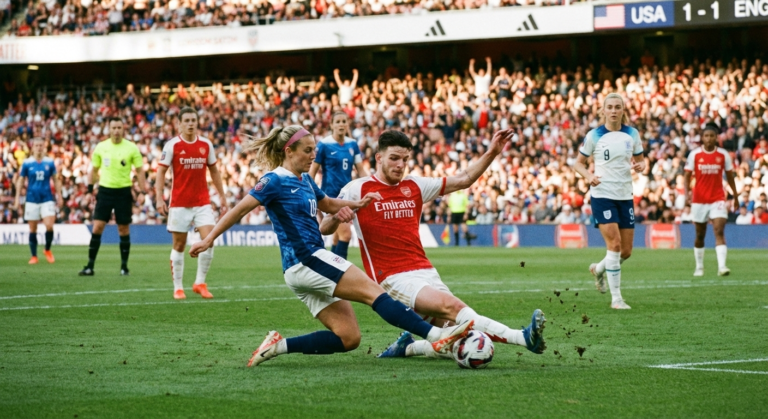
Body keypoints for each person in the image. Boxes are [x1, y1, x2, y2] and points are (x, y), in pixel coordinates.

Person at [189, 125, 473, 367]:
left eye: (315, 149)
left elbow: (328, 205)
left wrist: (357, 204)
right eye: (308, 150)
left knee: (349, 338)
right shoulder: (273, 181)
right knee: (375, 292)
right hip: (307, 259)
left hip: (301, 269)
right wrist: (208, 238)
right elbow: (239, 210)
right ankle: (437, 337)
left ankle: (277, 346)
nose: (314, 155)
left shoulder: (305, 180)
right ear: (289, 151)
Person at [319, 129, 546, 360]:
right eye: (394, 158)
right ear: (379, 158)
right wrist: (338, 215)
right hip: (392, 277)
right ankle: (524, 338)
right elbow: (325, 227)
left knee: (462, 335)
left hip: (427, 272)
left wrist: (492, 152)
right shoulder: (358, 188)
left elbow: (464, 179)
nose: (400, 165)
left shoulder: (415, 185)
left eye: (405, 160)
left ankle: (409, 348)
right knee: (454, 308)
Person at [572, 93, 645, 310]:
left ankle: (599, 269)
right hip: (602, 195)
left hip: (625, 195)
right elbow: (578, 164)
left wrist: (642, 166)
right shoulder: (594, 135)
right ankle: (617, 299)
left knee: (626, 251)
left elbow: (641, 160)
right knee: (614, 245)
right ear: (603, 110)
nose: (613, 111)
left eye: (617, 107)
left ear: (623, 110)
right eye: (610, 107)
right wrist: (589, 177)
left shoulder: (632, 134)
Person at [156, 107, 229, 300]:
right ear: (179, 124)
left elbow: (214, 171)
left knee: (209, 240)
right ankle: (178, 288)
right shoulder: (172, 146)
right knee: (179, 245)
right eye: (186, 120)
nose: (190, 124)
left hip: (202, 202)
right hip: (179, 203)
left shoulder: (206, 144)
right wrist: (158, 197)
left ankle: (200, 283)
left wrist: (222, 196)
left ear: (197, 123)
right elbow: (161, 172)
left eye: (193, 120)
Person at [79, 117, 148, 276]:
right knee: (97, 227)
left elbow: (139, 171)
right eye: (113, 127)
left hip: (124, 192)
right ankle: (90, 266)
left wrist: (142, 192)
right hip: (105, 191)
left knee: (123, 229)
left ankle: (124, 267)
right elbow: (94, 170)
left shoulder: (131, 147)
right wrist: (90, 190)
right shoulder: (101, 147)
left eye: (119, 127)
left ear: (123, 129)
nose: (116, 130)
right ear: (109, 129)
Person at [683, 123, 739, 277]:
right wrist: (687, 194)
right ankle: (699, 267)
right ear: (702, 138)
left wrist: (735, 195)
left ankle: (722, 267)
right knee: (700, 235)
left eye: (712, 136)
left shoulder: (723, 155)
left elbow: (729, 176)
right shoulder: (694, 155)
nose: (709, 139)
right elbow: (687, 176)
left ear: (716, 138)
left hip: (718, 198)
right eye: (706, 136)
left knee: (719, 230)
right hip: (699, 200)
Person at [309, 111, 366, 260]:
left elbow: (360, 170)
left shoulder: (353, 144)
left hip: (347, 195)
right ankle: (341, 273)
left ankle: (333, 270)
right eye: (338, 121)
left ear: (348, 124)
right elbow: (312, 172)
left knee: (337, 237)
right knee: (346, 234)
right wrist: (310, 192)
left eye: (344, 121)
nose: (341, 124)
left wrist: (372, 185)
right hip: (331, 197)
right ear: (332, 125)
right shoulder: (324, 145)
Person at [14, 138, 62, 264]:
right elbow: (20, 180)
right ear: (33, 147)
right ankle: (34, 256)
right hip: (31, 199)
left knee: (49, 226)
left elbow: (56, 180)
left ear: (44, 147)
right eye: (37, 145)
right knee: (33, 229)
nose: (39, 148)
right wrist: (17, 197)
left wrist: (60, 195)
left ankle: (47, 249)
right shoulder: (27, 163)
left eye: (41, 145)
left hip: (47, 198)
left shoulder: (50, 162)